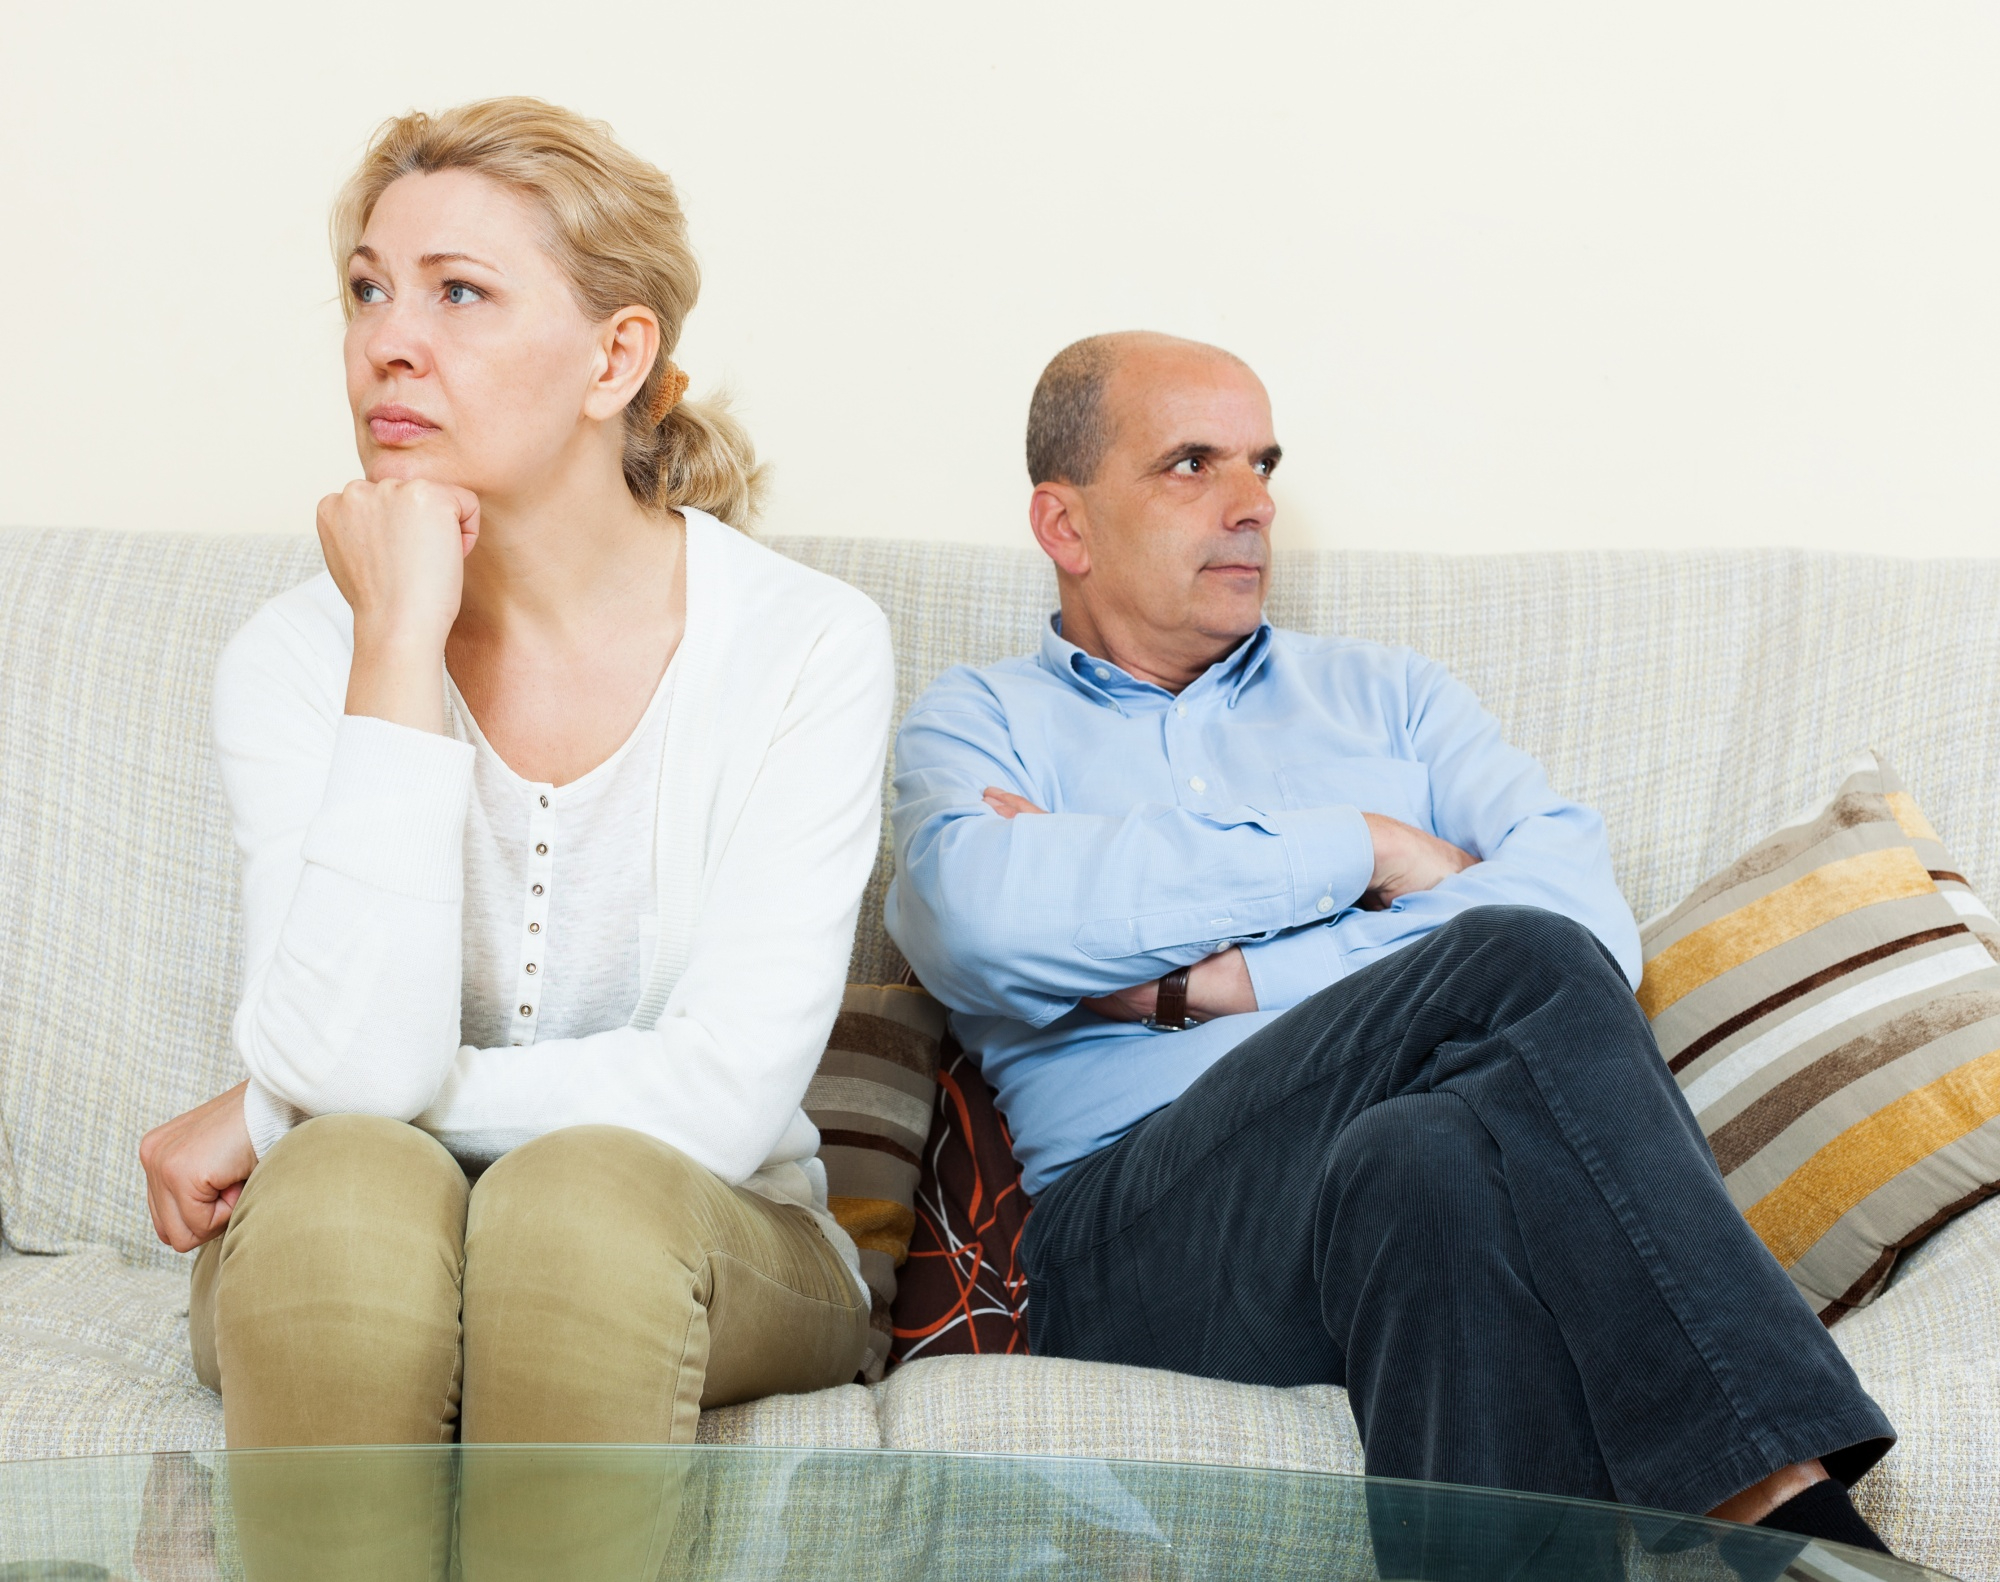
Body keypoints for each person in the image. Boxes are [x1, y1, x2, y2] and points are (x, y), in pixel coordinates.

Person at [885, 331, 1897, 1557]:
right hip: (1134, 1234)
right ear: (1066, 525)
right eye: (1189, 464)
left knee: (1430, 1158)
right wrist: (1362, 850)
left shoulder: (1389, 696)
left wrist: (1223, 978)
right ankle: (1786, 1510)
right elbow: (979, 919)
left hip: (1375, 1189)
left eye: (1260, 462)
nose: (1251, 504)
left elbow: (1582, 914)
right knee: (1501, 965)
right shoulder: (981, 720)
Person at [137, 98, 891, 1468]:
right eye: (366, 289)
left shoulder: (807, 642)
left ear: (616, 356)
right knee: (347, 1191)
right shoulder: (297, 657)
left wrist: (264, 1110)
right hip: (358, 1230)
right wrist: (397, 642)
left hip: (714, 1229)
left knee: (571, 1206)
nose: (386, 340)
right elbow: (358, 1080)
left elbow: (722, 1096)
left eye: (460, 292)